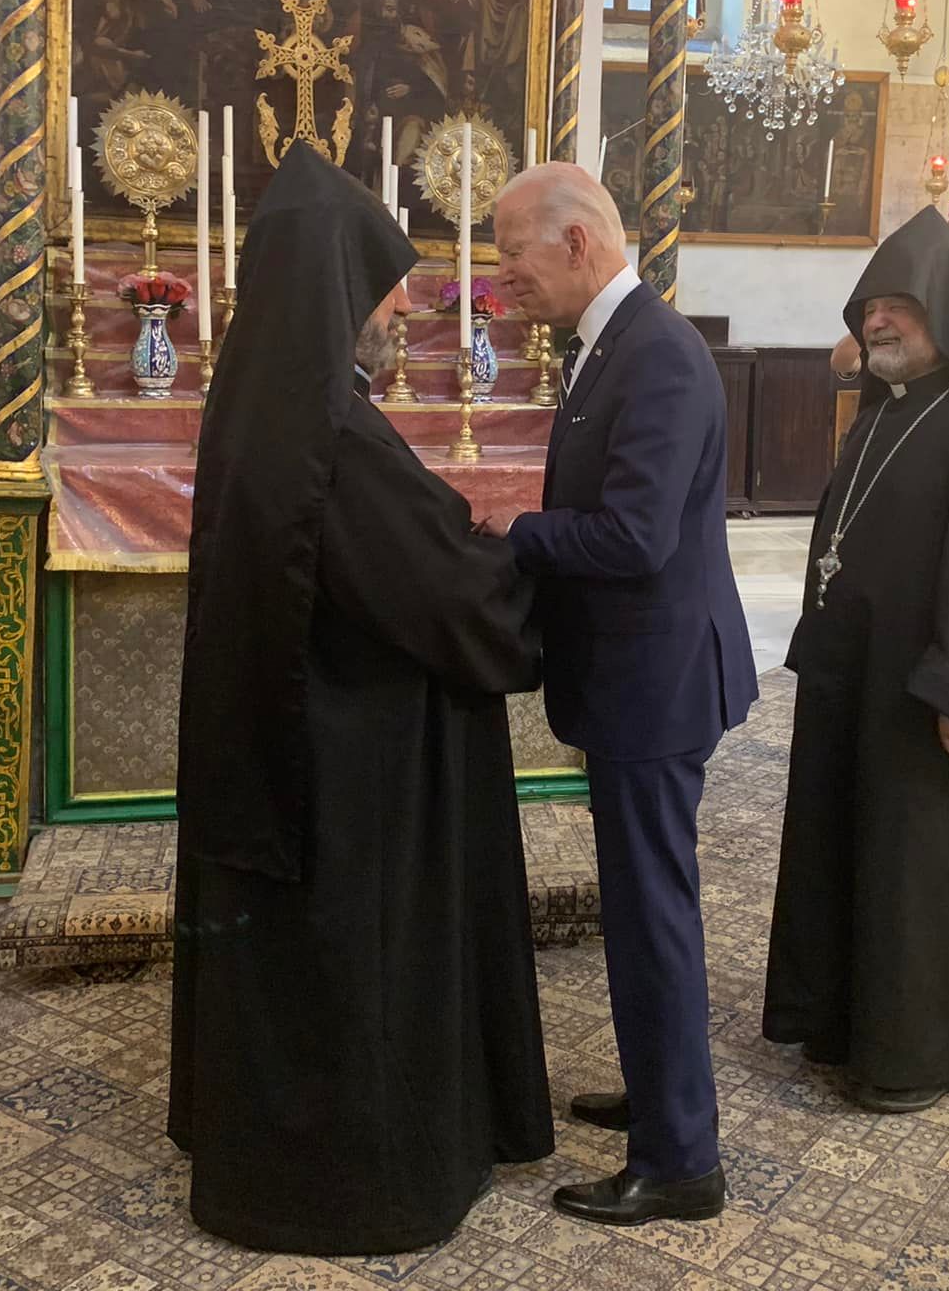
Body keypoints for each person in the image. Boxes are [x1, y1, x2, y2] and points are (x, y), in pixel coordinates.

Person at [169, 146, 553, 1254]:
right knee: (351, 964)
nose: (403, 306)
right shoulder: (332, 432)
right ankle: (348, 1179)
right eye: (387, 282)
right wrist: (502, 556)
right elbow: (438, 596)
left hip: (281, 741)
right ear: (339, 286)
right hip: (351, 769)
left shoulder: (255, 405)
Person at [480, 163, 758, 1228]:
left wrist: (517, 531)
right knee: (642, 910)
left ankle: (680, 1159)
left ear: (579, 244)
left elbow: (635, 536)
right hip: (633, 675)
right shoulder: (615, 345)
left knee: (651, 917)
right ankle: (658, 1095)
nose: (502, 274)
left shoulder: (658, 357)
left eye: (512, 249)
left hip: (656, 681)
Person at [763, 207, 949, 1114]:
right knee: (857, 856)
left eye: (901, 304)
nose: (880, 321)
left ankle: (929, 1048)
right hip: (862, 687)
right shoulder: (882, 417)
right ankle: (848, 1021)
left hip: (935, 704)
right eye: (871, 306)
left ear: (948, 312)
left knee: (922, 875)